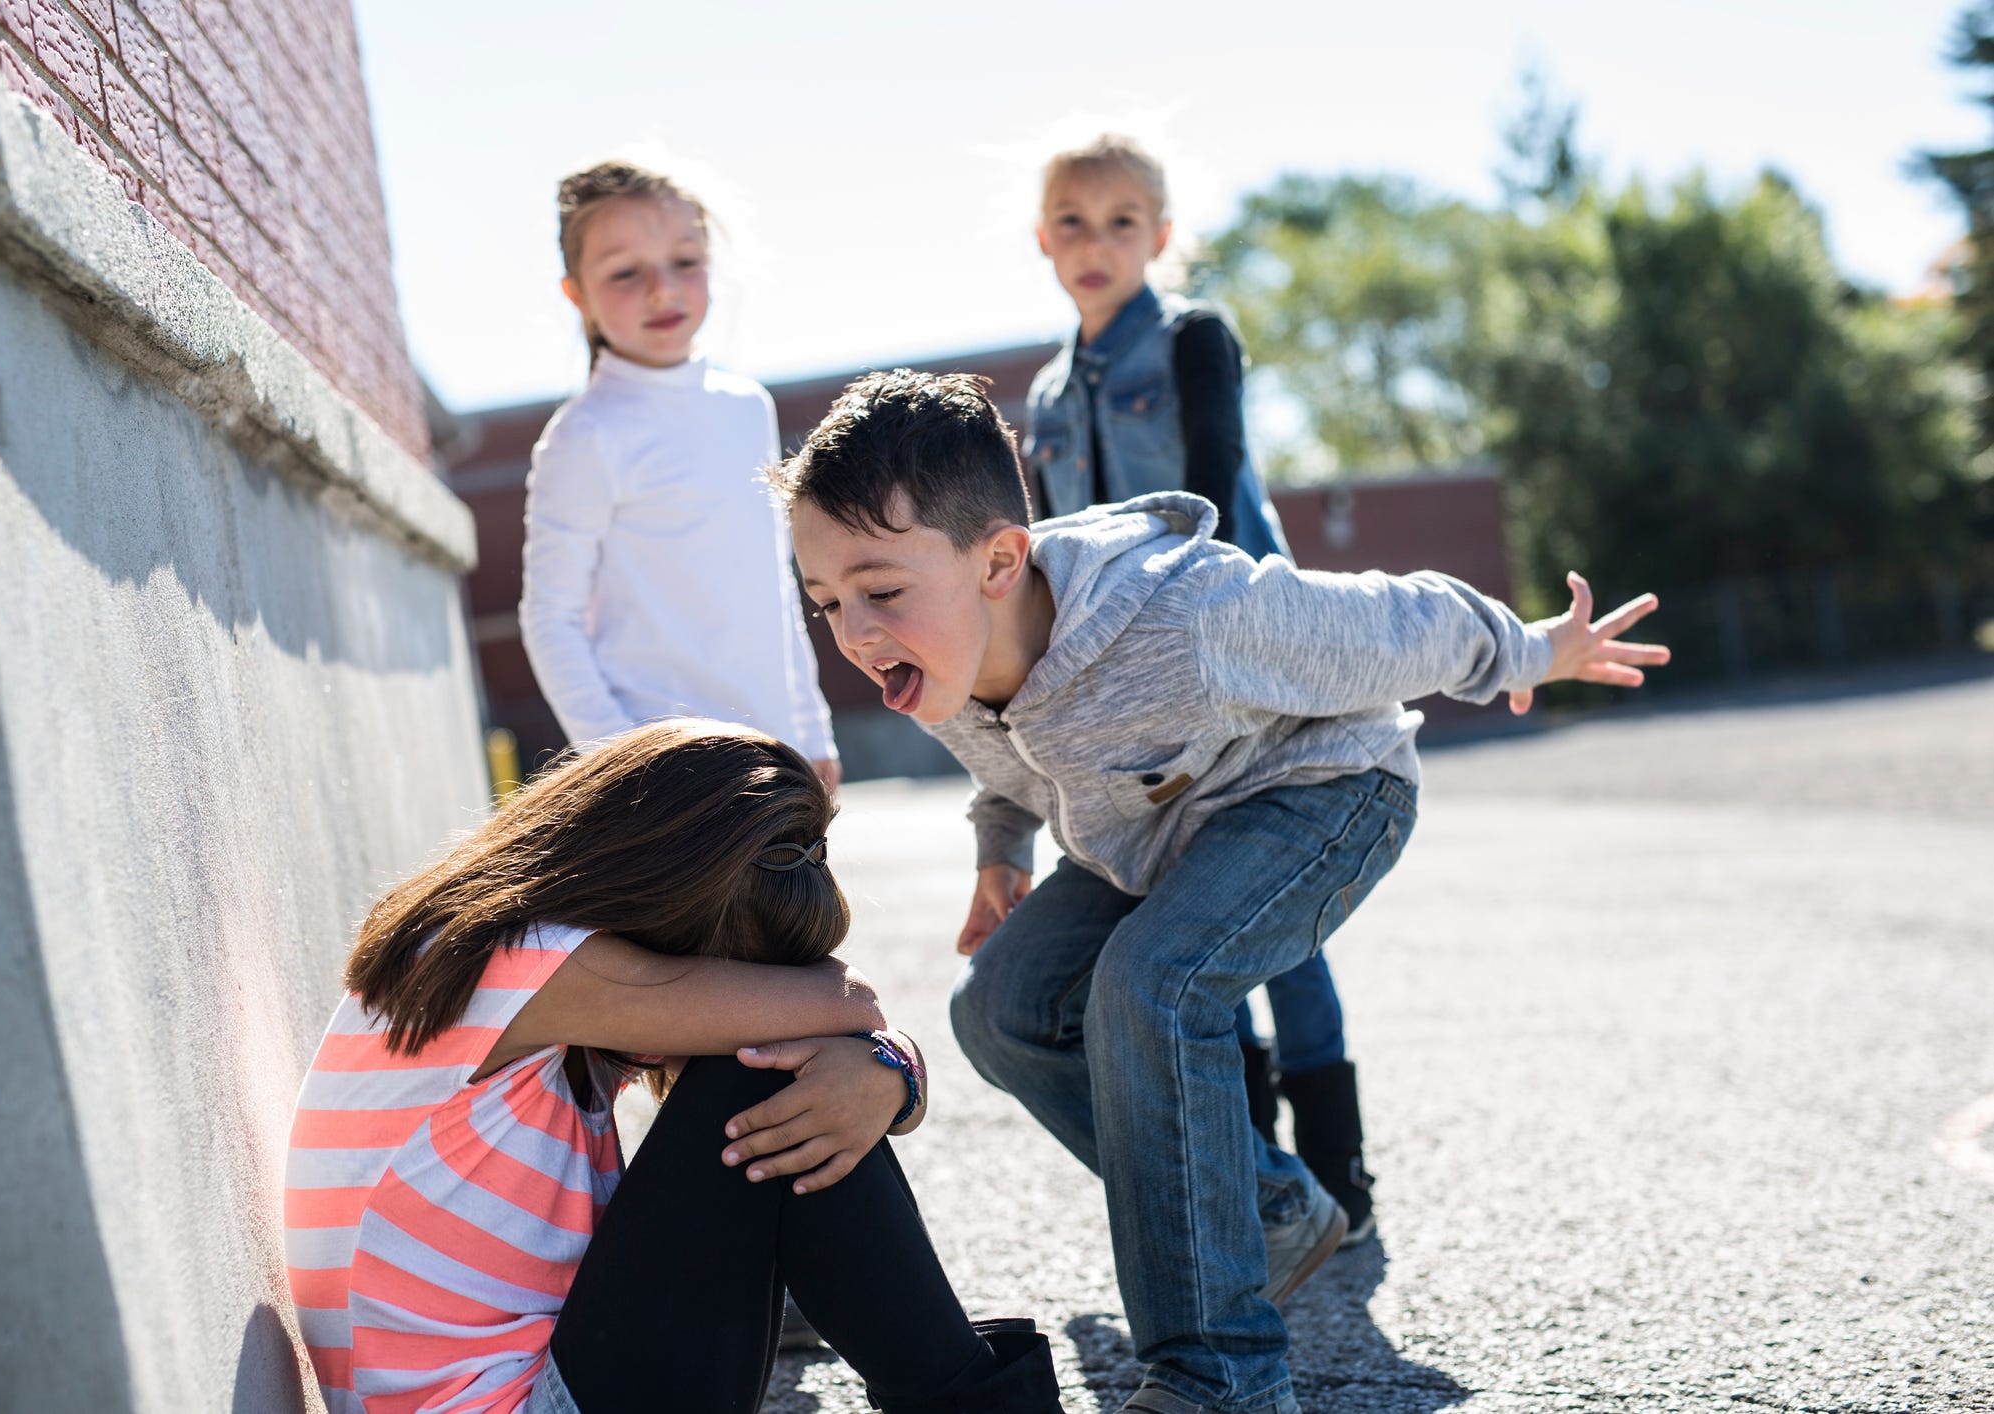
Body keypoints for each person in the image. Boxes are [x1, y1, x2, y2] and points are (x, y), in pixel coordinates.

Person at [774, 371, 1667, 1414]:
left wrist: (1529, 648)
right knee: (1000, 1012)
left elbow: (1395, 619)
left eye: (879, 590)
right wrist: (999, 850)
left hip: (1324, 793)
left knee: (1150, 985)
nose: (855, 631)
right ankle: (1266, 1206)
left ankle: (1225, 1376)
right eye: (826, 601)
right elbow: (1007, 762)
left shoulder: (1188, 615)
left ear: (999, 562)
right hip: (1157, 835)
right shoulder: (936, 651)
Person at [283, 720, 1065, 1414]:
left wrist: (889, 1071)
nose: (736, 996)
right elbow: (849, 1002)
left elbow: (852, 1026)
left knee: (788, 1075)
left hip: (541, 1381)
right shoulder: (522, 963)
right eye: (729, 971)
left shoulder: (507, 966)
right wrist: (881, 1059)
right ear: (663, 895)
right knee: (763, 1074)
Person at [1022, 135, 1372, 1239]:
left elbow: (1215, 486)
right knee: (1186, 918)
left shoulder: (1191, 339)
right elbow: (1049, 551)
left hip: (1243, 664)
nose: (1097, 242)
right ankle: (1263, 1181)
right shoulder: (1041, 393)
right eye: (1073, 221)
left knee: (1281, 927)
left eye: (1123, 220)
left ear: (1162, 237)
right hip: (1128, 696)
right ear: (1042, 239)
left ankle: (1339, 1170)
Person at [519, 161, 840, 792]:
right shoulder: (585, 435)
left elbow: (775, 586)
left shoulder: (748, 406)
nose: (662, 290)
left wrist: (812, 729)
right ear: (576, 293)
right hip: (666, 778)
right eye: (625, 272)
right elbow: (549, 617)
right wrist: (621, 761)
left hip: (776, 756)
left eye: (684, 261)